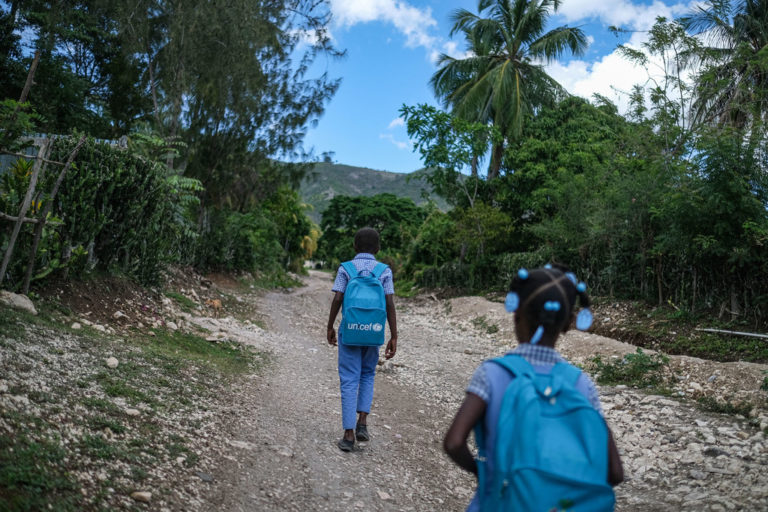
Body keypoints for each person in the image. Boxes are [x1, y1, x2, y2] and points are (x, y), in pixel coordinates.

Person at [443, 266, 624, 511]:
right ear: (567, 324)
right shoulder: (581, 383)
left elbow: (454, 443)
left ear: (516, 314)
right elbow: (614, 472)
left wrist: (487, 474)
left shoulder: (493, 373)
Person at [326, 227, 398, 452]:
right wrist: (394, 335)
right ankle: (363, 424)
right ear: (378, 249)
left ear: (355, 246)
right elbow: (389, 303)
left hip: (350, 331)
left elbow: (338, 298)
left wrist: (330, 326)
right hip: (373, 331)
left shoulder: (346, 268)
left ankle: (348, 435)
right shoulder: (384, 271)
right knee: (367, 374)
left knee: (349, 378)